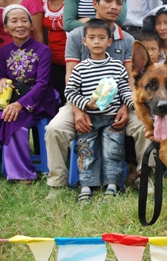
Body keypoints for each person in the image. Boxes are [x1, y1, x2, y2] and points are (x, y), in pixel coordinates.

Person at [45, 0, 150, 195]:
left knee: (143, 126)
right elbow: (70, 78)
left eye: (119, 3)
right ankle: (57, 184)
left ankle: (145, 178)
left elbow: (129, 80)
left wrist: (124, 106)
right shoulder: (77, 35)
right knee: (54, 129)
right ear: (95, 3)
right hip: (79, 101)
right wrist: (77, 110)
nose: (114, 7)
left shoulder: (127, 39)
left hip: (118, 103)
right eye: (108, 1)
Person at [65, 18, 133, 202]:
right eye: (92, 37)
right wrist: (86, 104)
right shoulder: (80, 69)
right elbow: (69, 91)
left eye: (102, 37)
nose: (97, 41)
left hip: (113, 118)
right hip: (89, 119)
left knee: (113, 151)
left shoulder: (117, 67)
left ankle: (113, 185)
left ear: (109, 42)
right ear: (84, 41)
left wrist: (132, 104)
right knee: (86, 151)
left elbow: (125, 89)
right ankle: (87, 186)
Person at [0, 5, 57, 182]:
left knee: (13, 120)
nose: (20, 25)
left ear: (32, 26)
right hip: (13, 98)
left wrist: (21, 104)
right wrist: (0, 79)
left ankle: (22, 174)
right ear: (6, 28)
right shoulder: (4, 51)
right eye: (14, 21)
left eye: (24, 20)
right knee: (4, 116)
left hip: (39, 99)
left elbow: (42, 83)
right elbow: (1, 74)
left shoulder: (43, 50)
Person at [29, 0, 73, 106]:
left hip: (76, 62)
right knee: (57, 103)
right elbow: (38, 34)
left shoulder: (74, 0)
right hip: (53, 63)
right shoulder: (42, 2)